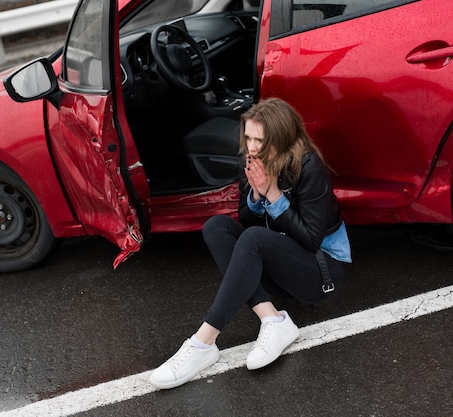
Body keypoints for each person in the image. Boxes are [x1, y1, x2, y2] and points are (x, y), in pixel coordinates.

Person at [149, 98, 352, 389]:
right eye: (249, 138)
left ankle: (202, 343)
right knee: (216, 227)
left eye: (260, 140)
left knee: (253, 239)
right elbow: (247, 220)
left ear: (280, 138)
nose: (252, 147)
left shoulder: (308, 166)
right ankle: (273, 320)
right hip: (284, 265)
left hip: (323, 270)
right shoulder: (254, 160)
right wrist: (256, 196)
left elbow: (311, 239)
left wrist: (272, 195)